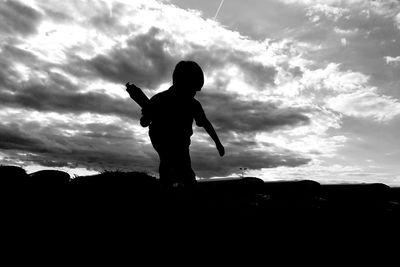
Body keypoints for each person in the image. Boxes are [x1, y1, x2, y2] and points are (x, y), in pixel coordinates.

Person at [126, 61, 225, 188]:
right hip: (163, 140)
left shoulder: (193, 104)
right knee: (175, 168)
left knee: (179, 169)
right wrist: (146, 118)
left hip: (181, 143)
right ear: (181, 84)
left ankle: (174, 185)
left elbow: (205, 123)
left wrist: (218, 143)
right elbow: (144, 122)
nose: (194, 93)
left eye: (195, 90)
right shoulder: (159, 100)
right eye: (192, 89)